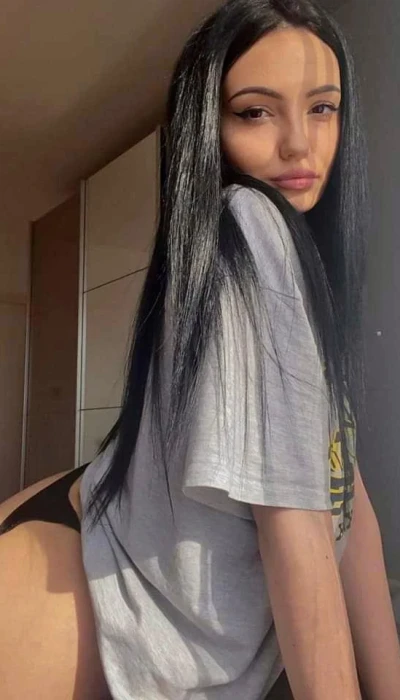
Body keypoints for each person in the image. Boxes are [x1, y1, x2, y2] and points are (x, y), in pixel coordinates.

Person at [0, 0, 399, 698]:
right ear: (208, 126)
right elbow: (296, 528)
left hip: (97, 521)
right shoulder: (251, 222)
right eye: (256, 111)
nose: (299, 144)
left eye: (322, 108)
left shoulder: (312, 269)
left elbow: (344, 495)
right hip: (84, 592)